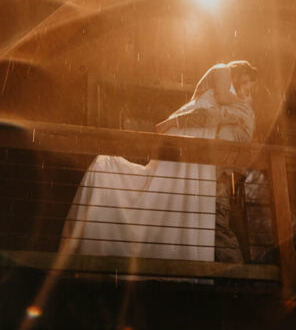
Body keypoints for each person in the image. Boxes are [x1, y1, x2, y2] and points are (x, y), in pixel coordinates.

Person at [59, 62, 257, 262]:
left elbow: (221, 119)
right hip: (194, 147)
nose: (248, 90)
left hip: (204, 156)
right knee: (178, 202)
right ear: (237, 74)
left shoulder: (240, 110)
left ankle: (191, 260)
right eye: (246, 82)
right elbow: (218, 105)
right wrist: (177, 122)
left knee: (188, 208)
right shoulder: (224, 74)